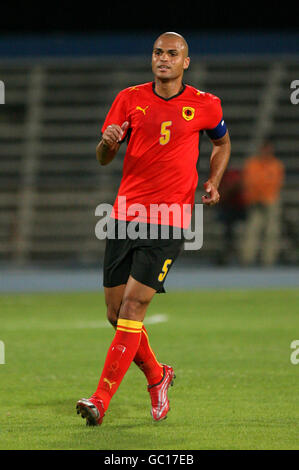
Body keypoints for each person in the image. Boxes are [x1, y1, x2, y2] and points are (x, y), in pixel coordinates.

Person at [76, 32, 231, 426]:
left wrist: (213, 180)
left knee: (133, 308)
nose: (164, 59)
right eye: (158, 53)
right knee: (115, 313)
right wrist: (108, 144)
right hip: (125, 216)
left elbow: (222, 143)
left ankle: (100, 400)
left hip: (169, 221)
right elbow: (103, 159)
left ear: (185, 62)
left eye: (172, 54)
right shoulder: (129, 98)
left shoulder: (206, 105)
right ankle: (158, 375)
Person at [240, 141, 284, 266]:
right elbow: (248, 182)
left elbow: (276, 183)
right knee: (252, 230)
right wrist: (257, 196)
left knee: (271, 231)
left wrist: (264, 195)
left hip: (271, 201)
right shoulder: (253, 164)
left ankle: (268, 260)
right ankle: (247, 259)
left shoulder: (276, 165)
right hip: (256, 201)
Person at [216, 168, 247, 265]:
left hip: (239, 210)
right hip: (226, 211)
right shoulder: (219, 178)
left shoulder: (234, 175)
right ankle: (225, 255)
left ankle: (243, 258)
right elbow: (221, 197)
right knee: (226, 230)